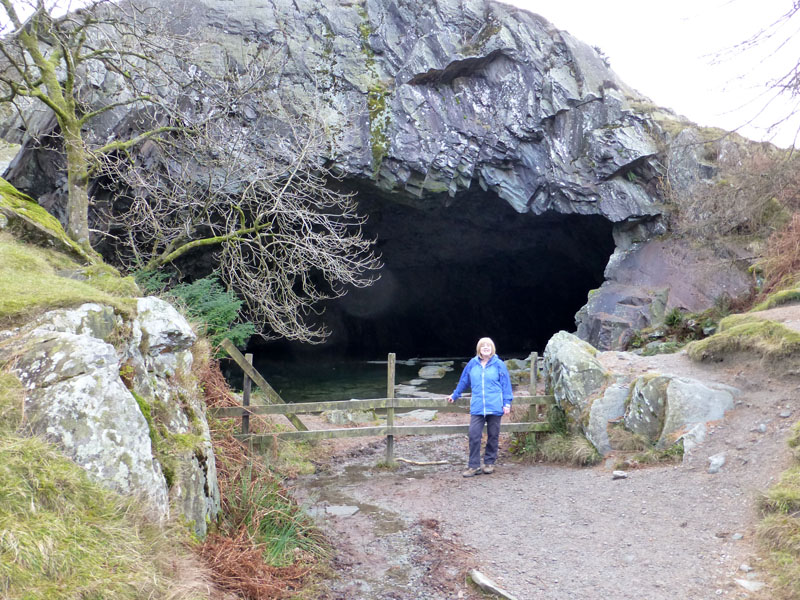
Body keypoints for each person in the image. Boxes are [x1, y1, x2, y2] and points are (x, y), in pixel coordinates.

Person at [447, 337, 513, 477]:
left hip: (495, 406)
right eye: (483, 346)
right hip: (478, 407)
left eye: (488, 345)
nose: (486, 348)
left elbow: (506, 385)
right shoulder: (472, 364)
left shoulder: (499, 364)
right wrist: (455, 395)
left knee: (493, 436)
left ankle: (489, 463)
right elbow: (464, 381)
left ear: (492, 348)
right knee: (474, 435)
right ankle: (474, 466)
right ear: (479, 349)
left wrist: (507, 403)